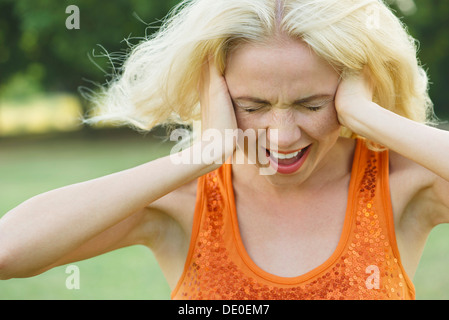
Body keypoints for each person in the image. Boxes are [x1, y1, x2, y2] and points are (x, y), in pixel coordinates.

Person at [0, 0, 448, 300]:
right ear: (212, 92)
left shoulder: (403, 184)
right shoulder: (181, 199)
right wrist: (203, 153)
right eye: (252, 106)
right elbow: (8, 252)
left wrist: (371, 118)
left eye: (314, 104)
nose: (283, 135)